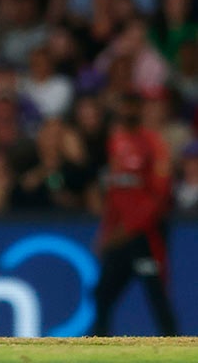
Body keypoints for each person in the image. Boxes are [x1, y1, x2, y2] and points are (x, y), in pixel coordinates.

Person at [90, 91, 178, 336]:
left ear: (139, 110)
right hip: (121, 237)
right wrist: (106, 232)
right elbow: (115, 196)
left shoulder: (154, 144)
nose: (127, 112)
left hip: (146, 238)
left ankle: (177, 351)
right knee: (102, 293)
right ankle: (98, 349)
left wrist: (128, 229)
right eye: (124, 106)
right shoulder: (116, 143)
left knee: (156, 292)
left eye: (132, 107)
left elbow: (159, 198)